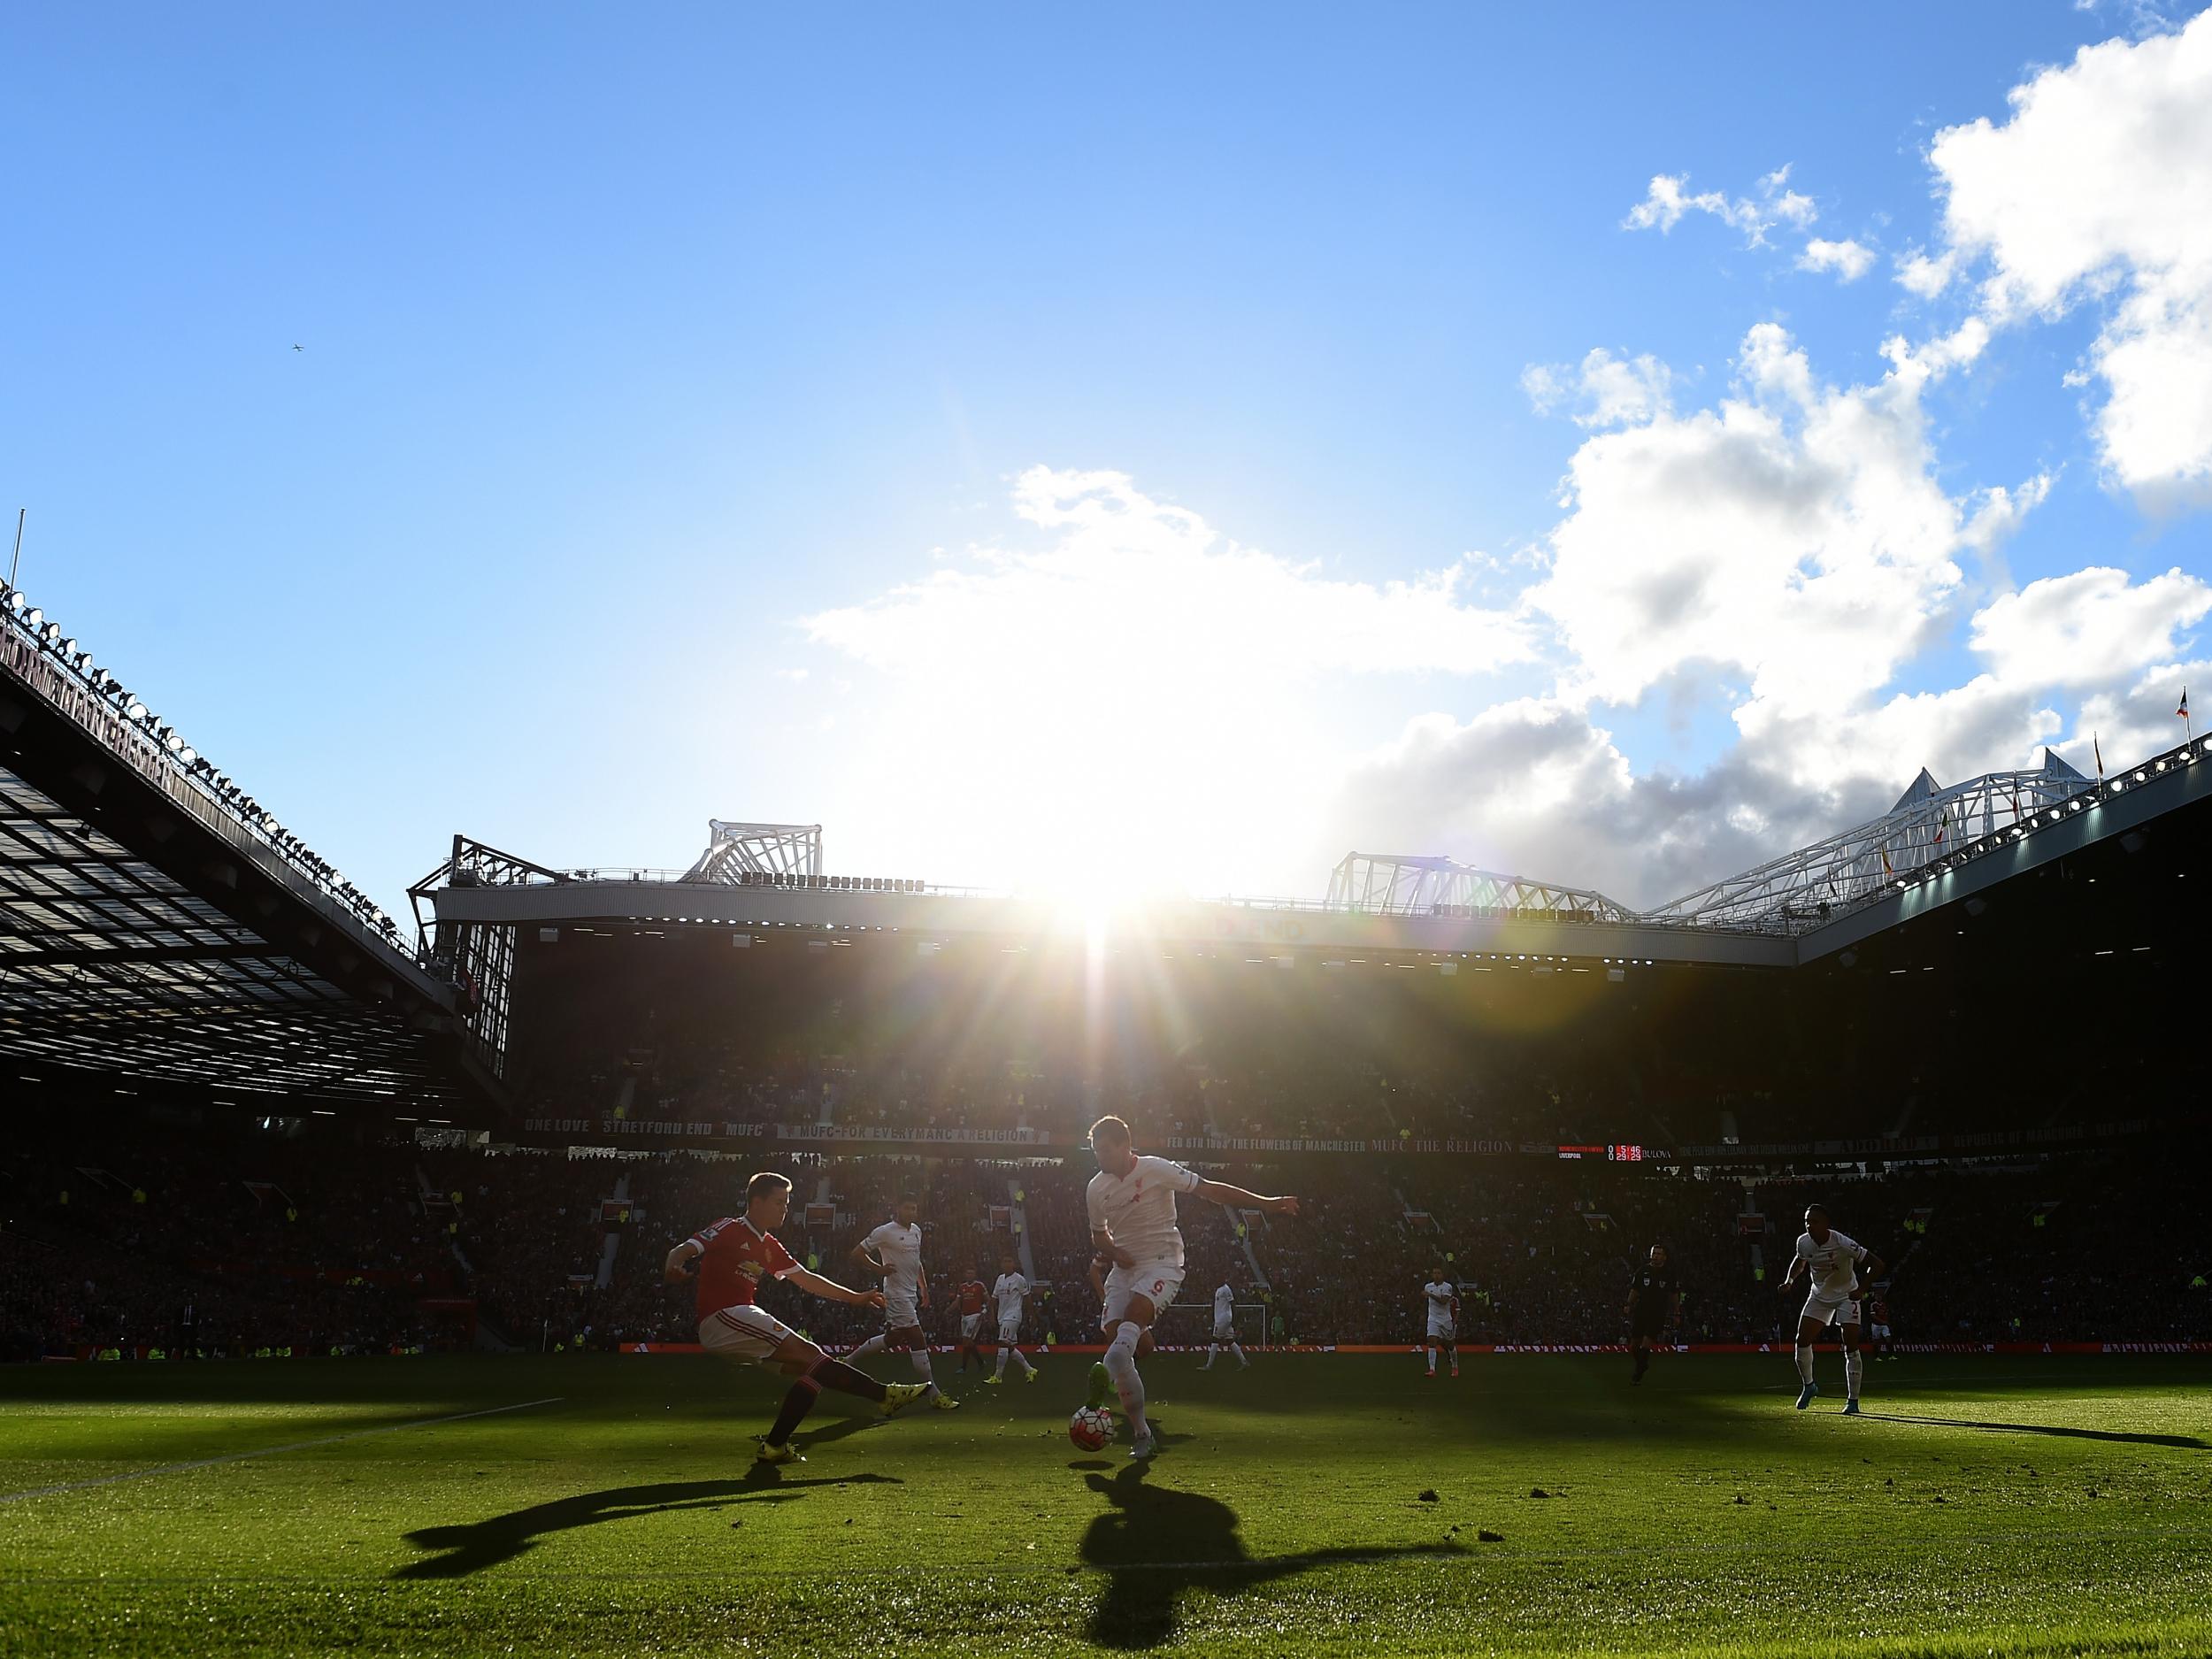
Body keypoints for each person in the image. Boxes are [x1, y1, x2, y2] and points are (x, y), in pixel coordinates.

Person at [663, 1171, 929, 1465]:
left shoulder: (769, 1245)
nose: (784, 1209)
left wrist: (856, 1297)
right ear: (757, 1201)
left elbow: (807, 1279)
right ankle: (884, 1394)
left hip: (739, 1318)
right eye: (779, 1202)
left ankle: (775, 1446)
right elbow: (684, 1249)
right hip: (723, 1316)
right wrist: (674, 1264)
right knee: (810, 1354)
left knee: (813, 1367)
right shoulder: (729, 1227)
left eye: (786, 1203)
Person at [1085, 1115, 1299, 1459]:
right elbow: (1098, 1234)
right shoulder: (1096, 1188)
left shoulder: (1156, 1169)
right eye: (1095, 1151)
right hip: (1123, 1269)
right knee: (1118, 1340)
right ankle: (1142, 1433)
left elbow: (1211, 1190)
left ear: (1125, 1145)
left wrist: (1267, 1203)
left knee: (1134, 1317)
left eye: (1105, 1150)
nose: (1100, 1157)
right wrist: (1113, 1251)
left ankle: (1094, 1396)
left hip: (1162, 1261)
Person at [847, 1194, 959, 1411]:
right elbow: (857, 1253)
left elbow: (916, 1262)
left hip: (910, 1293)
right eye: (907, 1208)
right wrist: (879, 1269)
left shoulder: (917, 1231)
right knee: (917, 1337)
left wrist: (924, 1287)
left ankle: (849, 1359)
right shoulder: (885, 1231)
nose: (911, 1212)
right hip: (896, 1293)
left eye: (914, 1209)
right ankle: (934, 1394)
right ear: (897, 1208)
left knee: (894, 1337)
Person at [1780, 1202, 1887, 1416]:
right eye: (1806, 1222)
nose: (1809, 1226)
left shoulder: (1842, 1243)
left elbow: (1877, 1264)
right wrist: (1789, 1281)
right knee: (1802, 1340)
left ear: (1826, 1224)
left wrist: (1863, 1290)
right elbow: (1799, 1262)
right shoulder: (1803, 1242)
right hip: (1819, 1296)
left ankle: (1853, 1400)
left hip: (1848, 1295)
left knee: (1850, 1344)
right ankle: (1809, 1386)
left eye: (1814, 1221)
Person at [1624, 1243, 1680, 1385]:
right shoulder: (1642, 1271)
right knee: (1633, 1346)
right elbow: (1635, 1290)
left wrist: (1676, 1313)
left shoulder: (1669, 1274)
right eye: (1654, 1253)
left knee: (1646, 1343)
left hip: (1658, 1312)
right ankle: (1643, 1364)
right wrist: (1628, 1304)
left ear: (1664, 1257)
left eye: (1659, 1254)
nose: (1655, 1256)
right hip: (1641, 1311)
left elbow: (1673, 1295)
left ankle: (1637, 1375)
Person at [987, 1250, 1039, 1384]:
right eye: (1005, 1261)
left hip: (1013, 1315)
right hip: (1002, 1316)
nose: (1007, 1264)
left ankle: (998, 1376)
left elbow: (1027, 1299)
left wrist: (1032, 1316)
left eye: (1009, 1261)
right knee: (1009, 1347)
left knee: (1002, 1343)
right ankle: (1029, 1369)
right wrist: (991, 1316)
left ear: (1014, 1264)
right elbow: (993, 1299)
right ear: (1001, 1264)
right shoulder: (999, 1279)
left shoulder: (1019, 1279)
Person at [1421, 1268, 1459, 1379]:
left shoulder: (1447, 1287)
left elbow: (1443, 1302)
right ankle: (1432, 1369)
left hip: (1445, 1319)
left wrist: (1430, 1295)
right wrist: (1423, 1314)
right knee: (1431, 1340)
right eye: (1435, 1273)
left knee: (1450, 1345)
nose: (1436, 1275)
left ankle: (1455, 1366)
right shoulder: (1428, 1286)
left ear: (1442, 1275)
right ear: (1432, 1275)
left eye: (1439, 1273)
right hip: (1433, 1318)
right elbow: (1427, 1302)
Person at [1202, 1281, 1248, 1371]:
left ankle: (1208, 1366)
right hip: (1223, 1319)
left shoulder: (1226, 1289)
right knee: (1230, 1340)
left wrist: (1235, 1320)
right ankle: (1244, 1361)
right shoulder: (1219, 1289)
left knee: (1215, 1339)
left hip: (1223, 1319)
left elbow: (1233, 1304)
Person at [954, 1267, 990, 1373]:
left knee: (967, 1340)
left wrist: (984, 1312)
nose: (969, 1275)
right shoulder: (962, 1287)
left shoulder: (980, 1285)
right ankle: (981, 1362)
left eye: (971, 1273)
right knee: (967, 1342)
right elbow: (957, 1301)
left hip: (975, 1316)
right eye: (968, 1273)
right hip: (964, 1316)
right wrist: (948, 1310)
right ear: (965, 1274)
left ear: (975, 1275)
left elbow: (988, 1300)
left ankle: (964, 1367)